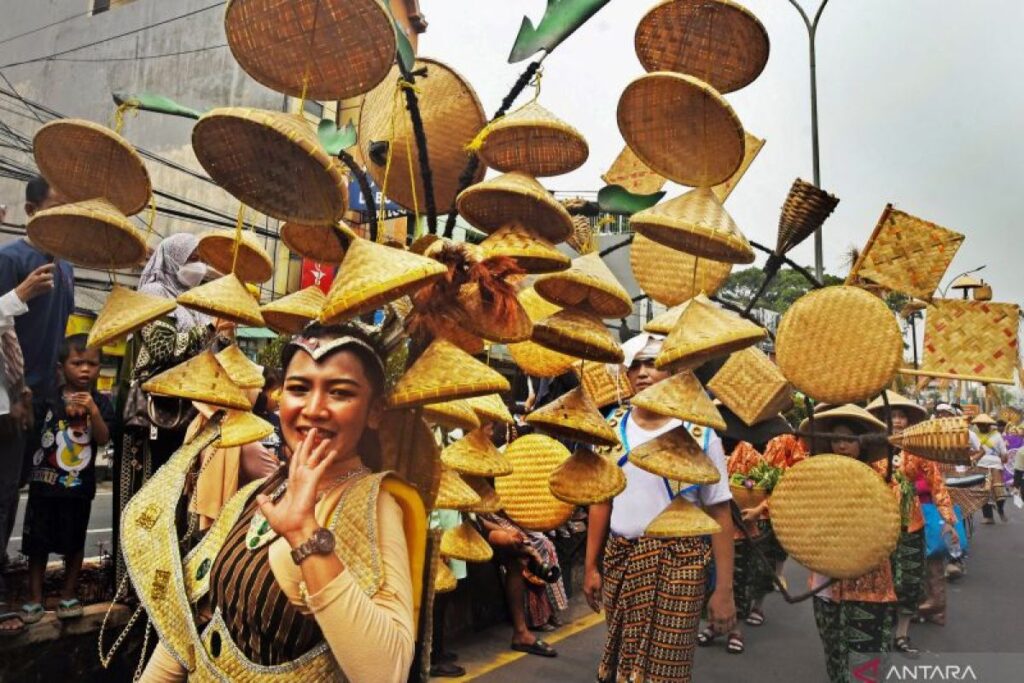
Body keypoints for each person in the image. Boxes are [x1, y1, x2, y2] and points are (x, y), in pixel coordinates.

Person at [137, 323, 423, 682]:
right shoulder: (256, 492)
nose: (314, 409)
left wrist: (305, 533)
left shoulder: (376, 505)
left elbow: (387, 672)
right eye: (299, 389)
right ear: (280, 398)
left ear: (374, 411)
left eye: (340, 392)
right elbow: (193, 624)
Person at [585, 333, 736, 683]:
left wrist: (724, 590)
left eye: (652, 363)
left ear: (672, 370)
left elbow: (719, 513)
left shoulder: (699, 432)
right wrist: (591, 566)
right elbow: (600, 500)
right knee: (623, 660)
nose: (642, 372)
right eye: (634, 365)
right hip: (620, 558)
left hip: (680, 564)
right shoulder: (611, 427)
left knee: (666, 671)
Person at [18, 334, 114, 626]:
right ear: (62, 367)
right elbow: (32, 430)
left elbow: (103, 437)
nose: (85, 369)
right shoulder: (48, 399)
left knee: (74, 543)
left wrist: (93, 412)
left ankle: (68, 596)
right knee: (38, 545)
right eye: (77, 363)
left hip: (78, 489)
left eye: (92, 364)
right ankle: (34, 598)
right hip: (44, 486)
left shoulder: (100, 402)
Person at [805, 406, 898, 683]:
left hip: (868, 584)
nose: (841, 445)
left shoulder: (882, 481)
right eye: (835, 439)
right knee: (834, 658)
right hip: (825, 583)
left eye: (848, 439)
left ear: (863, 442)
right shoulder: (818, 479)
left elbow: (890, 528)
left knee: (865, 666)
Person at [866, 393, 956, 655]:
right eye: (892, 415)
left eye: (901, 415)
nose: (897, 420)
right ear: (883, 420)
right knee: (880, 580)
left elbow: (937, 483)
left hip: (912, 523)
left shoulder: (919, 450)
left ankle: (902, 635)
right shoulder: (870, 448)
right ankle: (880, 632)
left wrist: (948, 518)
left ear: (908, 420)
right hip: (878, 523)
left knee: (910, 581)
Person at [0, 262, 58, 634]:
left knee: (5, 499)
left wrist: (19, 391)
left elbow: (6, 341)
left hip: (6, 408)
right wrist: (18, 296)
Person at [478, 510, 568, 658]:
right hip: (468, 525)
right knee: (519, 544)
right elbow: (476, 521)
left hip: (482, 522)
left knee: (520, 552)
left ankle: (521, 633)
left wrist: (507, 531)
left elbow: (478, 521)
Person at [972, 414, 1007, 523]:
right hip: (980, 464)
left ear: (988, 425)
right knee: (983, 492)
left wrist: (1003, 458)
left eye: (983, 424)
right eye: (979, 424)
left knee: (999, 490)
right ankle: (988, 517)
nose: (981, 426)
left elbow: (1004, 453)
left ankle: (1000, 509)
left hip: (995, 464)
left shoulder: (997, 436)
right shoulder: (974, 436)